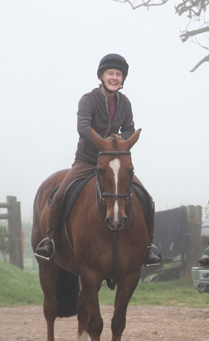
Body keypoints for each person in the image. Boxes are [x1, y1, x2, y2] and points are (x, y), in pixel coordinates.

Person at [35, 53, 162, 266]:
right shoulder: (88, 99)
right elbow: (83, 127)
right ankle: (49, 241)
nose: (114, 77)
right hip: (87, 161)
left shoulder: (125, 102)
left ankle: (149, 247)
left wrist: (118, 143)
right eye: (110, 73)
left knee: (146, 198)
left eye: (118, 74)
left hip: (116, 162)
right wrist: (104, 143)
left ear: (123, 79)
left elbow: (129, 128)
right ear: (102, 76)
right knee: (59, 195)